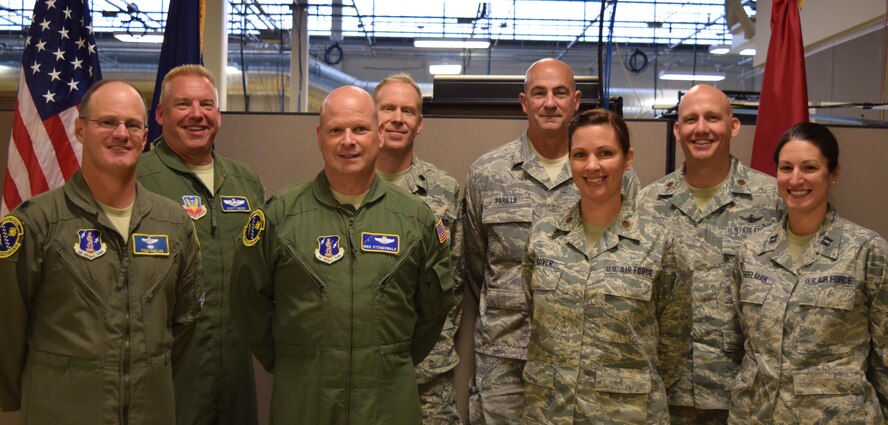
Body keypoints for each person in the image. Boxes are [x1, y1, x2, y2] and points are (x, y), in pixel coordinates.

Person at [229, 85, 454, 424]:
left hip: (387, 401)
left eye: (360, 129)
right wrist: (295, 361)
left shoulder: (416, 219)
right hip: (303, 400)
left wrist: (387, 357)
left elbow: (433, 310)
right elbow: (248, 304)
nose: (348, 141)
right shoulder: (280, 216)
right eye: (336, 130)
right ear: (320, 137)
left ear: (378, 135)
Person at [0, 79, 203, 424]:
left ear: (144, 136)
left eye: (133, 125)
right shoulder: (37, 224)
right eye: (107, 122)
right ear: (80, 129)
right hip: (62, 412)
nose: (121, 134)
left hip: (149, 412)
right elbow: (7, 329)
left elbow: (183, 326)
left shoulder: (175, 225)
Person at [460, 57, 639, 424]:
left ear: (576, 101)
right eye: (539, 93)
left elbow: (634, 260)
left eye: (560, 93)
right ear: (524, 102)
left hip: (586, 361)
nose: (550, 102)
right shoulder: (487, 174)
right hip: (505, 359)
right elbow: (477, 266)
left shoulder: (610, 174)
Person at [522, 109, 690, 424]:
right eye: (580, 154)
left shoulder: (659, 242)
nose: (592, 166)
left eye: (606, 153)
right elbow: (534, 315)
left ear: (628, 159)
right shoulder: (544, 237)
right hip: (549, 411)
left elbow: (673, 344)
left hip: (626, 415)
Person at [634, 84, 781, 424]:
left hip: (743, 395)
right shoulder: (647, 203)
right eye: (691, 119)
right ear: (677, 130)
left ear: (733, 126)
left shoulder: (772, 200)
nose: (701, 128)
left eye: (712, 118)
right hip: (667, 393)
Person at [730, 122, 888, 424]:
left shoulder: (866, 251)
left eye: (810, 167)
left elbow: (885, 353)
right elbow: (742, 344)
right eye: (786, 168)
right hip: (756, 415)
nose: (796, 179)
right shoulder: (751, 253)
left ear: (834, 174)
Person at [137, 64, 263, 425]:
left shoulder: (245, 181)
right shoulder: (138, 177)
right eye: (183, 105)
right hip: (167, 368)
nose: (197, 114)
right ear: (160, 115)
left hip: (236, 370)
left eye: (206, 104)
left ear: (219, 115)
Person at [373, 73, 462, 424]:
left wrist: (435, 344)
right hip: (361, 371)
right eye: (388, 108)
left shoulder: (444, 190)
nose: (397, 117)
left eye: (407, 110)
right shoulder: (346, 184)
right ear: (371, 115)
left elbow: (455, 278)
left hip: (428, 372)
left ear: (420, 123)